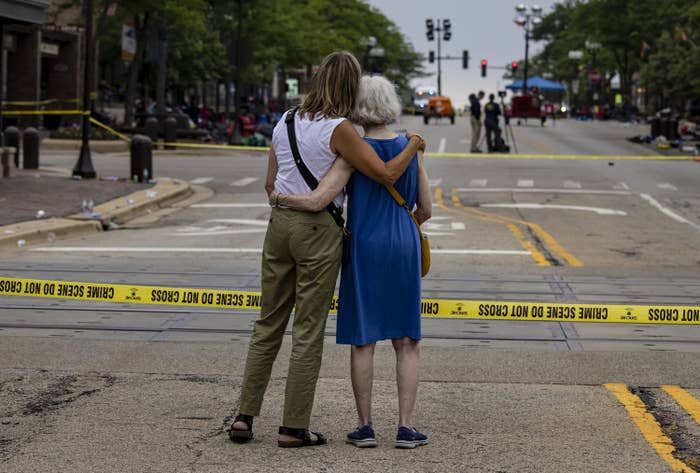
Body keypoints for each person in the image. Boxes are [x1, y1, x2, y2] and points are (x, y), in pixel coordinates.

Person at [228, 51, 425, 449]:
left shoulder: (283, 121)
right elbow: (385, 172)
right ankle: (293, 426)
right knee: (307, 329)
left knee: (268, 323)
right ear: (350, 87)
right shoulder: (341, 130)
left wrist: (285, 202)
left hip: (279, 227)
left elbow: (271, 185)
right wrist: (415, 143)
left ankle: (244, 417)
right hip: (316, 231)